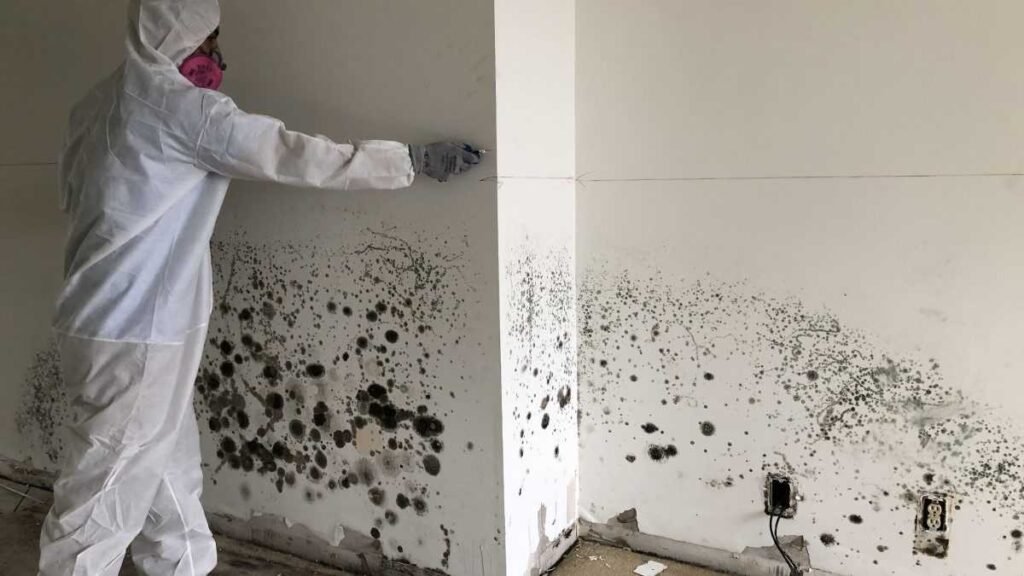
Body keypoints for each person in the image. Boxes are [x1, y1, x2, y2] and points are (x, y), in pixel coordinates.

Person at [41, 0, 481, 574]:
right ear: (180, 37)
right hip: (141, 333)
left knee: (168, 478)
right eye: (209, 40)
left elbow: (75, 196)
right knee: (100, 501)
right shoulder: (186, 109)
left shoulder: (95, 104)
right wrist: (408, 161)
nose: (216, 55)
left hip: (94, 320)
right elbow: (292, 155)